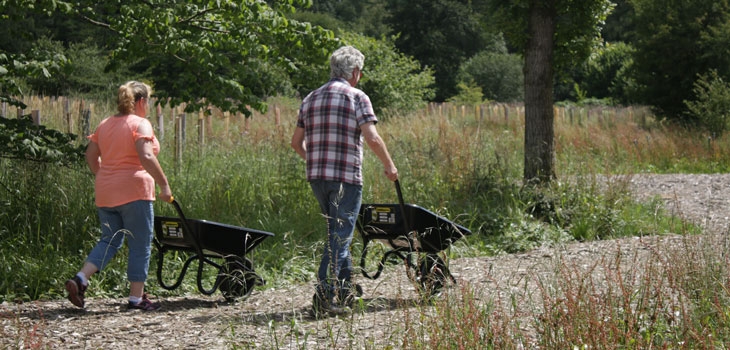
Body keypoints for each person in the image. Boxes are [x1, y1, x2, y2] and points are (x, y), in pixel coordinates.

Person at [291, 46, 398, 317]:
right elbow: (372, 137)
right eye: (359, 72)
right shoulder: (357, 97)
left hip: (317, 178)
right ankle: (324, 298)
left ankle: (346, 290)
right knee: (339, 239)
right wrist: (389, 166)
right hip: (345, 179)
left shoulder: (311, 98)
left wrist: (314, 160)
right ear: (355, 72)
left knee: (336, 236)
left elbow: (295, 143)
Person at [65, 81, 173, 311]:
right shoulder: (141, 124)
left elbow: (91, 155)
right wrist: (164, 185)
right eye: (148, 101)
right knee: (140, 244)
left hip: (105, 192)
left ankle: (81, 278)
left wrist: (104, 175)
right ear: (142, 101)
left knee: (110, 239)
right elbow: (145, 155)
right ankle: (136, 299)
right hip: (135, 191)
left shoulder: (105, 124)